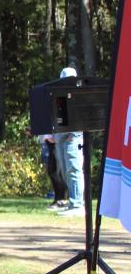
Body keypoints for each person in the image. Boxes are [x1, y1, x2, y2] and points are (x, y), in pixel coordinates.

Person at [54, 67, 85, 218]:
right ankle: (73, 203)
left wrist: (74, 134)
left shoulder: (79, 95)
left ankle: (78, 204)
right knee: (66, 171)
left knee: (74, 170)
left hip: (73, 137)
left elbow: (83, 117)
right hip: (60, 137)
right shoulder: (59, 94)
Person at [40, 133, 68, 210]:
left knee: (56, 172)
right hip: (49, 142)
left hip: (56, 141)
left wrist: (52, 137)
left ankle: (62, 199)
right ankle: (57, 199)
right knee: (51, 171)